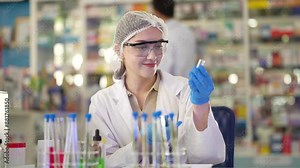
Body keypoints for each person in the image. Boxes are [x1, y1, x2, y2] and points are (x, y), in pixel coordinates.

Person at [89, 11, 225, 167]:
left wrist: (201, 106)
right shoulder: (102, 102)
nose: (153, 56)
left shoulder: (185, 91)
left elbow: (208, 158)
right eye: (142, 46)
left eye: (158, 46)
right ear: (119, 51)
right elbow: (100, 164)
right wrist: (141, 145)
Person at [152, 0, 198, 78]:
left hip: (172, 86)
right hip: (188, 83)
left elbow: (163, 70)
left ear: (157, 13)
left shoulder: (163, 35)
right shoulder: (187, 31)